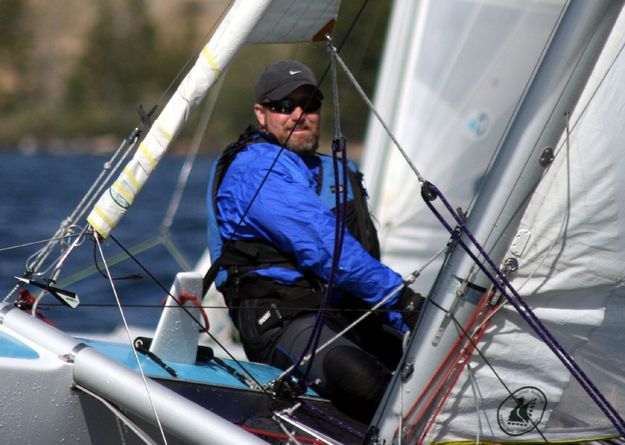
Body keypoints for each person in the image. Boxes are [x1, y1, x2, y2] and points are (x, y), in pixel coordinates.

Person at [206, 60, 422, 421]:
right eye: (283, 106)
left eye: (309, 103)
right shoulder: (255, 169)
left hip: (343, 315)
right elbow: (326, 248)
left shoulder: (339, 172)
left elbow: (361, 258)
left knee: (435, 363)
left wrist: (409, 324)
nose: (298, 115)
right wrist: (402, 299)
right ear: (261, 114)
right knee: (367, 384)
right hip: (281, 320)